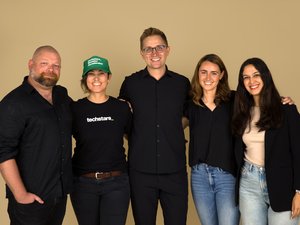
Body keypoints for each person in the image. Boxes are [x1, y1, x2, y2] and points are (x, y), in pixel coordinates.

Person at [118, 27, 191, 225]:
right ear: (142, 53)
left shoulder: (182, 84)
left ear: (168, 49)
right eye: (148, 49)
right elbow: (121, 120)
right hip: (140, 173)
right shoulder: (130, 84)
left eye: (159, 47)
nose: (154, 53)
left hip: (174, 171)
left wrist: (173, 129)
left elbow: (191, 115)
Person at [0, 45, 73, 225]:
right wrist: (21, 195)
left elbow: (83, 118)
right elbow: (3, 152)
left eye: (56, 66)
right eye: (45, 63)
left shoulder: (62, 95)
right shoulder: (13, 103)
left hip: (59, 195)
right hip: (30, 201)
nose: (51, 69)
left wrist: (116, 106)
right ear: (31, 64)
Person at [232, 57, 300, 225]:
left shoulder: (286, 109)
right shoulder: (240, 111)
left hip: (283, 184)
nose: (251, 81)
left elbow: (299, 152)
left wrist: (299, 192)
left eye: (256, 75)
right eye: (245, 77)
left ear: (265, 77)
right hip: (249, 182)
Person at [70, 56, 132, 225]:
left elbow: (134, 137)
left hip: (117, 184)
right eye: (91, 74)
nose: (96, 78)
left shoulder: (121, 108)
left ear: (108, 77)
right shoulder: (75, 109)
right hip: (83, 184)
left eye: (101, 73)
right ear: (85, 79)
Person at [183, 54, 239, 225]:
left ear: (221, 75)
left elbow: (262, 103)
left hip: (227, 176)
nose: (208, 78)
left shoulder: (234, 100)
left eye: (214, 73)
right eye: (204, 72)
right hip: (199, 176)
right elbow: (171, 129)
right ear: (197, 74)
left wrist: (282, 102)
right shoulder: (190, 103)